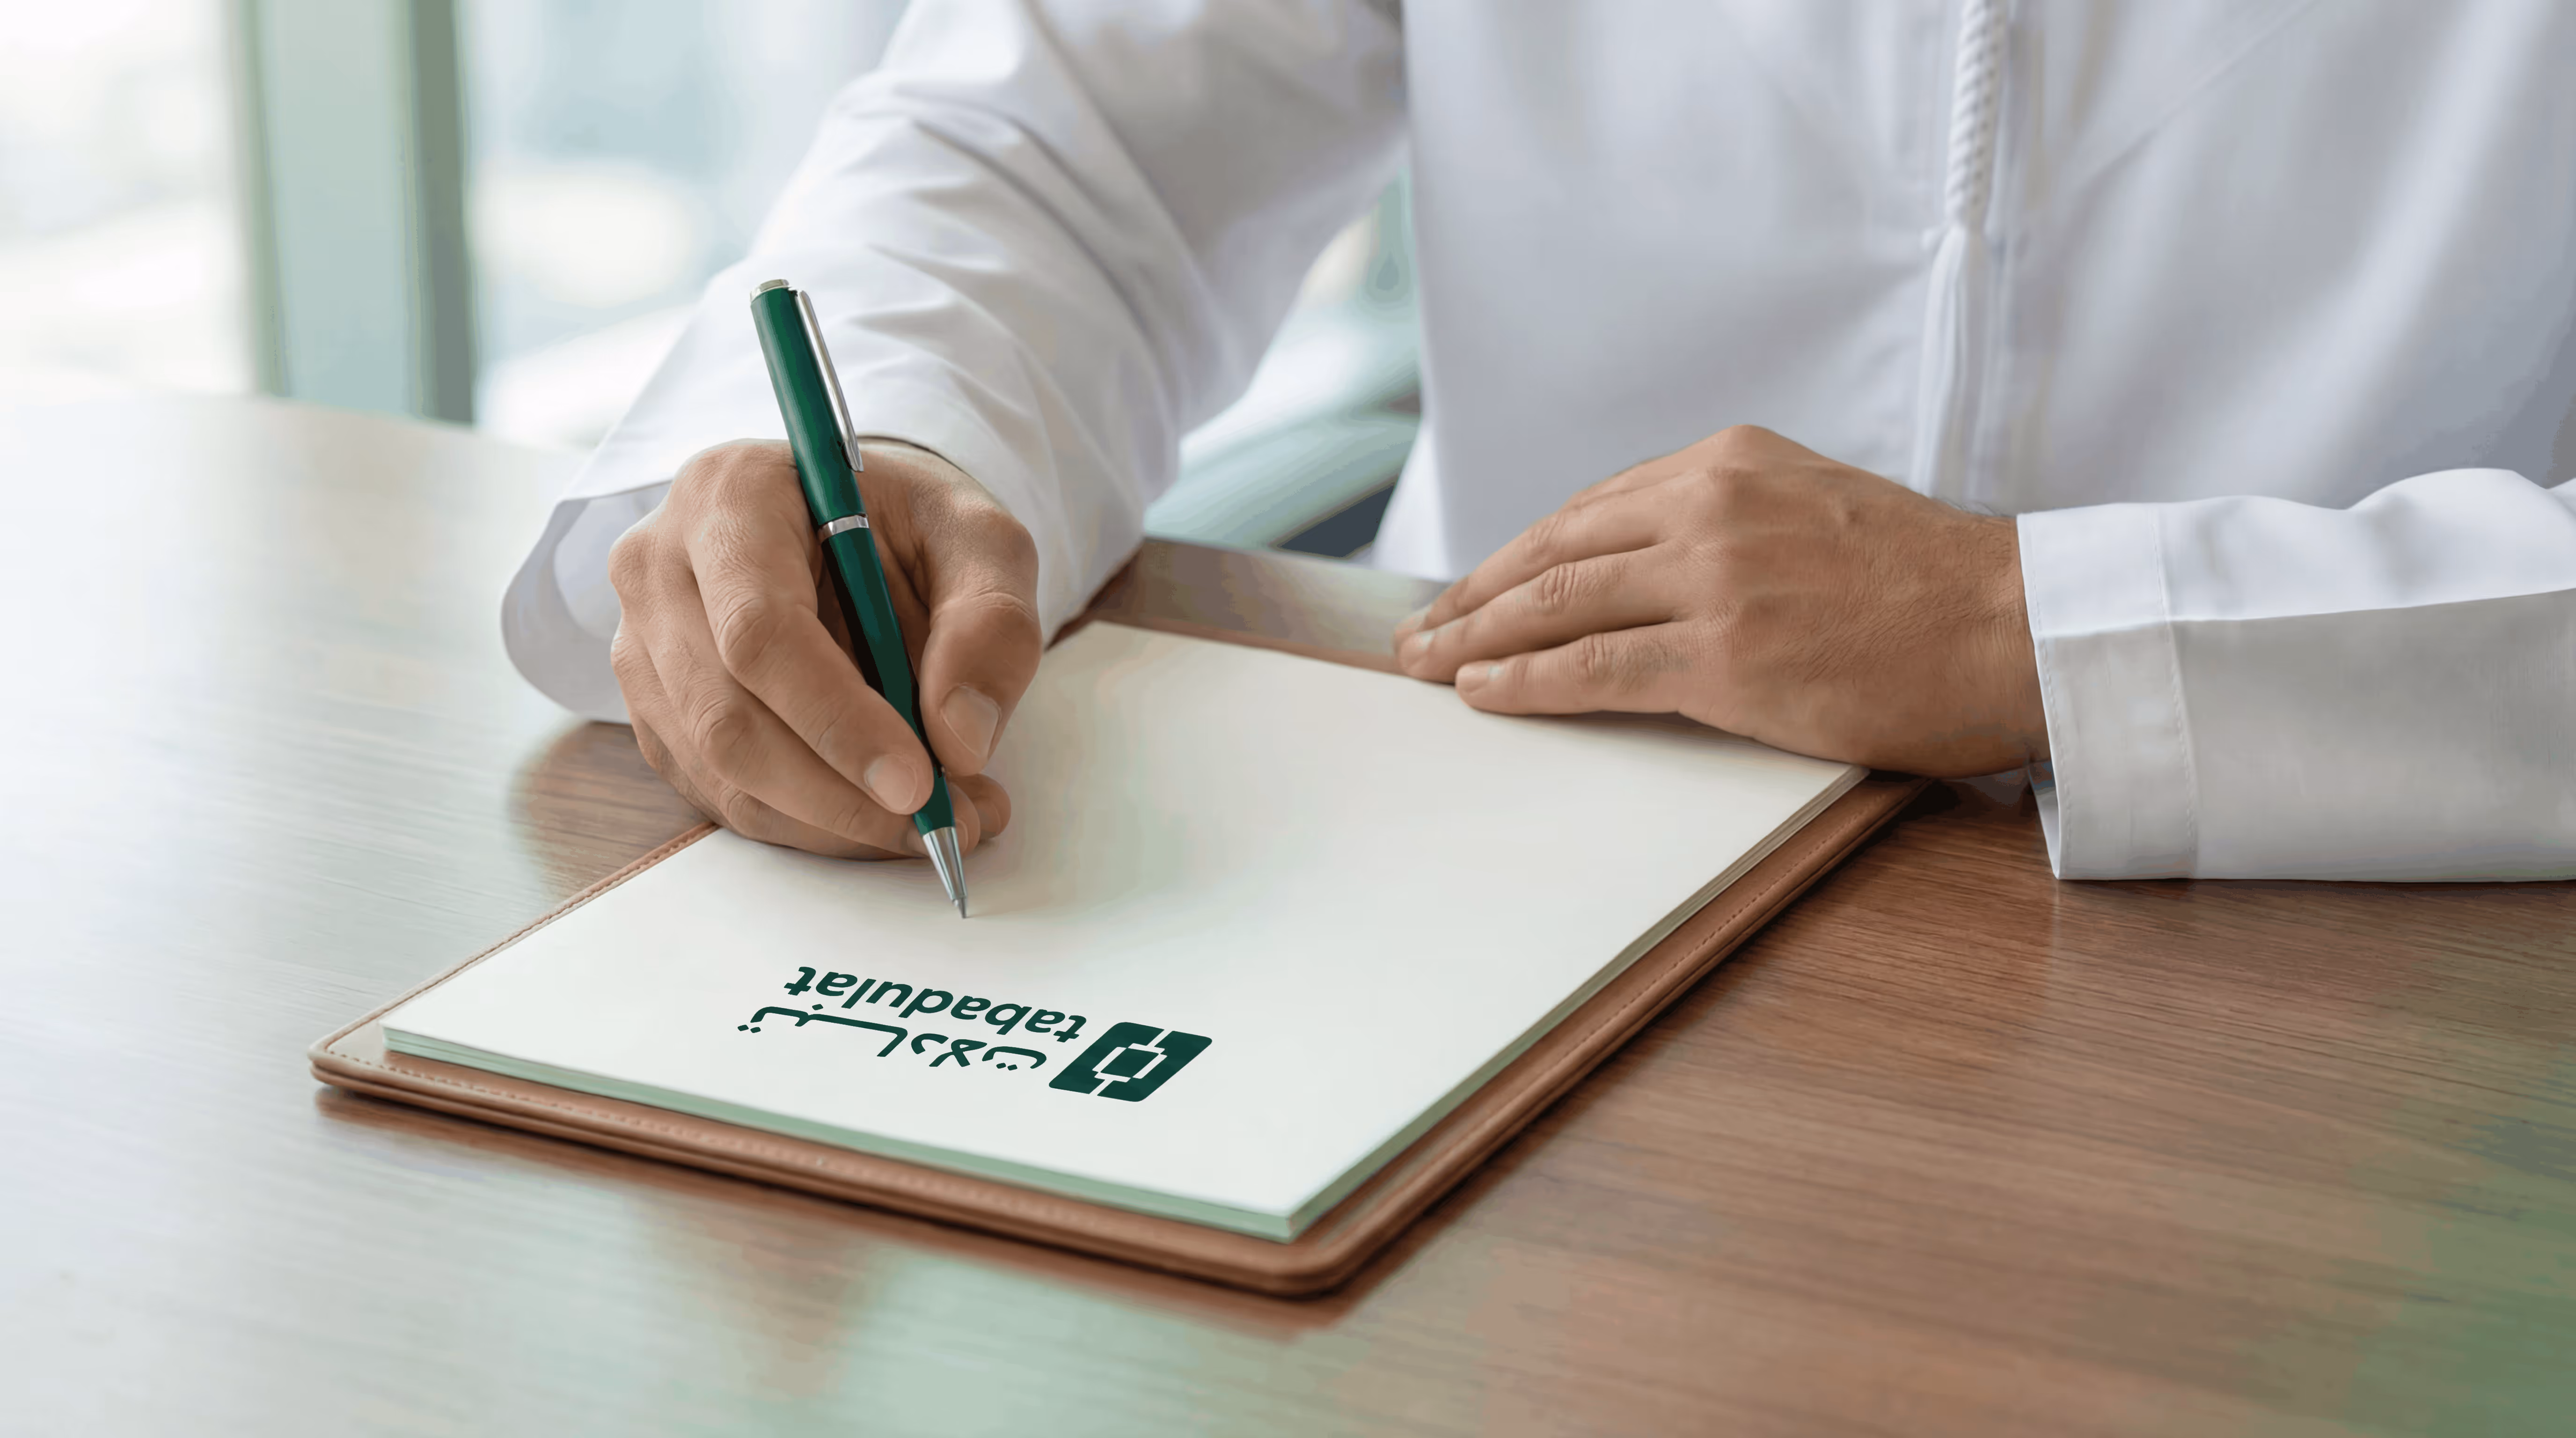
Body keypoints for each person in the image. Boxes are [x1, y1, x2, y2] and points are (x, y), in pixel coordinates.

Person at [503, 0, 2576, 882]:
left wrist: (2054, 628)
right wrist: (887, 438)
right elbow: (1056, 140)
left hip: (2351, 942)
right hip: (1476, 859)